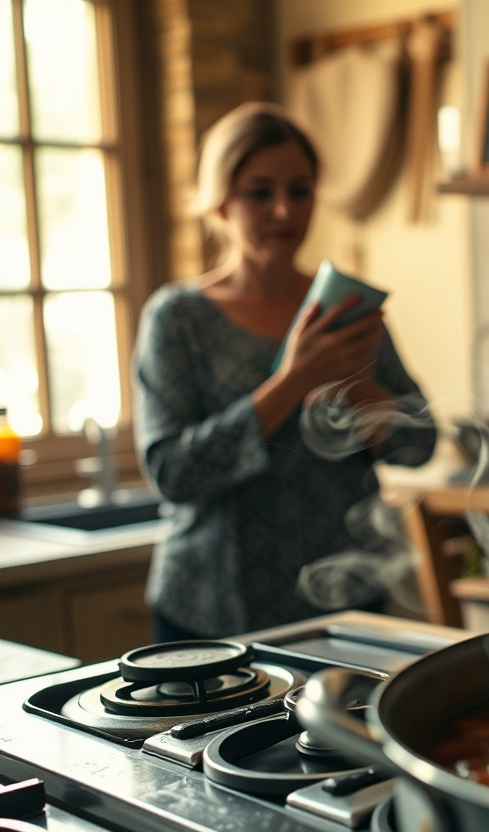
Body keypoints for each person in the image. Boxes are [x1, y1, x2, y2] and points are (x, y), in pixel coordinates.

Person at [133, 102, 436, 641]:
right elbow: (172, 473)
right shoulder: (178, 318)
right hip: (213, 609)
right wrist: (292, 379)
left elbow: (419, 444)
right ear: (219, 200)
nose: (283, 211)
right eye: (260, 192)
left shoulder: (341, 308)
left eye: (300, 191)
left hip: (346, 599)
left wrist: (353, 383)